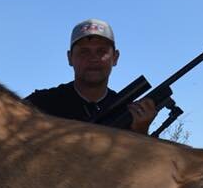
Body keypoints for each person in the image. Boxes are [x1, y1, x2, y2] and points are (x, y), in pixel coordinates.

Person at [25, 19, 156, 133]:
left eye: (101, 51)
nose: (93, 58)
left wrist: (140, 131)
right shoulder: (40, 104)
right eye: (84, 52)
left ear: (115, 57)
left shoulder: (129, 112)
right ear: (70, 58)